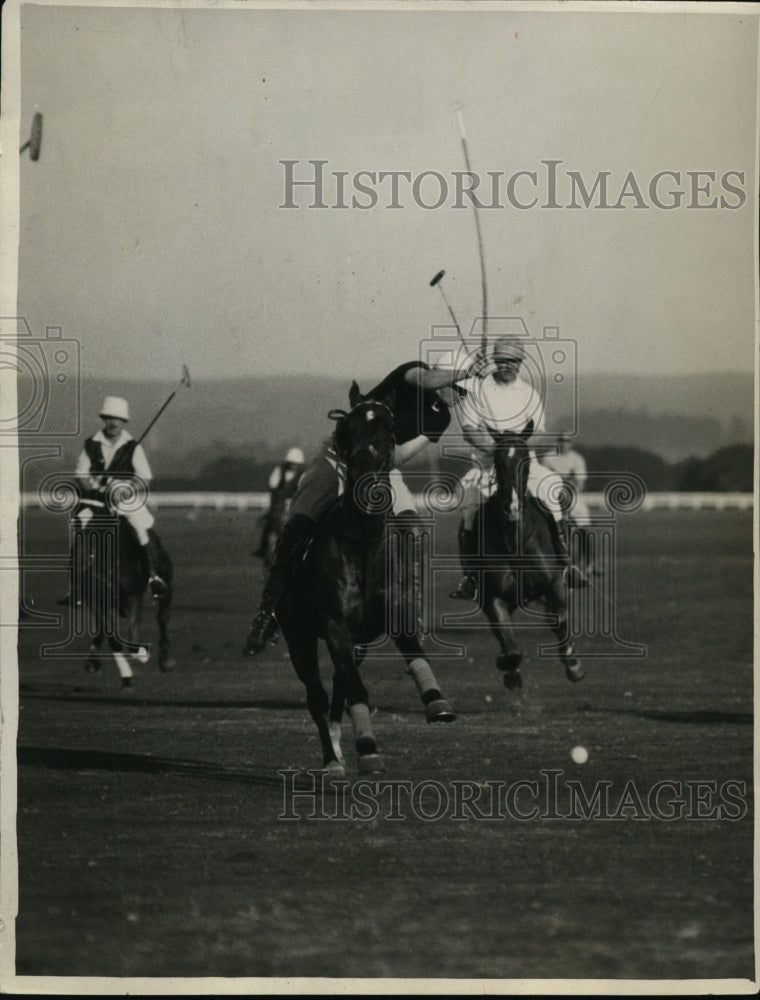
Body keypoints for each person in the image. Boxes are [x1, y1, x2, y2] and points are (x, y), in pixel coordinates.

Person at [242, 359, 472, 656]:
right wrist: (466, 371)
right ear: (445, 379)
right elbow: (426, 380)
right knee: (300, 525)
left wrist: (376, 459)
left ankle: (409, 615)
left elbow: (401, 456)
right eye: (459, 390)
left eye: (464, 393)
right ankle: (268, 614)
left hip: (381, 469)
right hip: (338, 460)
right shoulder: (412, 374)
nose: (461, 398)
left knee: (414, 531)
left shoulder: (441, 418)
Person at [449, 336, 587, 598]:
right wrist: (499, 450)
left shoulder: (529, 394)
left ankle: (565, 564)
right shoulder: (476, 390)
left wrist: (514, 446)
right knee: (470, 506)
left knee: (552, 488)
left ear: (521, 363)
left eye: (513, 361)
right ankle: (470, 577)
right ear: (494, 361)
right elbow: (470, 432)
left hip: (525, 465)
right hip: (487, 466)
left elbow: (538, 434)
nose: (507, 365)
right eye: (501, 360)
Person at [58, 396, 168, 605]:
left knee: (139, 527)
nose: (113, 422)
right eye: (109, 418)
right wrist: (94, 489)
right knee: (78, 527)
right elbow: (81, 474)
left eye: (117, 418)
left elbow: (144, 477)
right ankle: (75, 587)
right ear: (104, 419)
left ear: (123, 421)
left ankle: (153, 576)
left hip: (124, 499)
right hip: (96, 499)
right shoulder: (91, 444)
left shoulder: (132, 447)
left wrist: (127, 490)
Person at [253, 447, 306, 558]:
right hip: (278, 506)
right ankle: (264, 548)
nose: (294, 466)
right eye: (292, 463)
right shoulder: (279, 471)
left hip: (293, 505)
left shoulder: (302, 475)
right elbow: (273, 485)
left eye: (296, 464)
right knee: (271, 524)